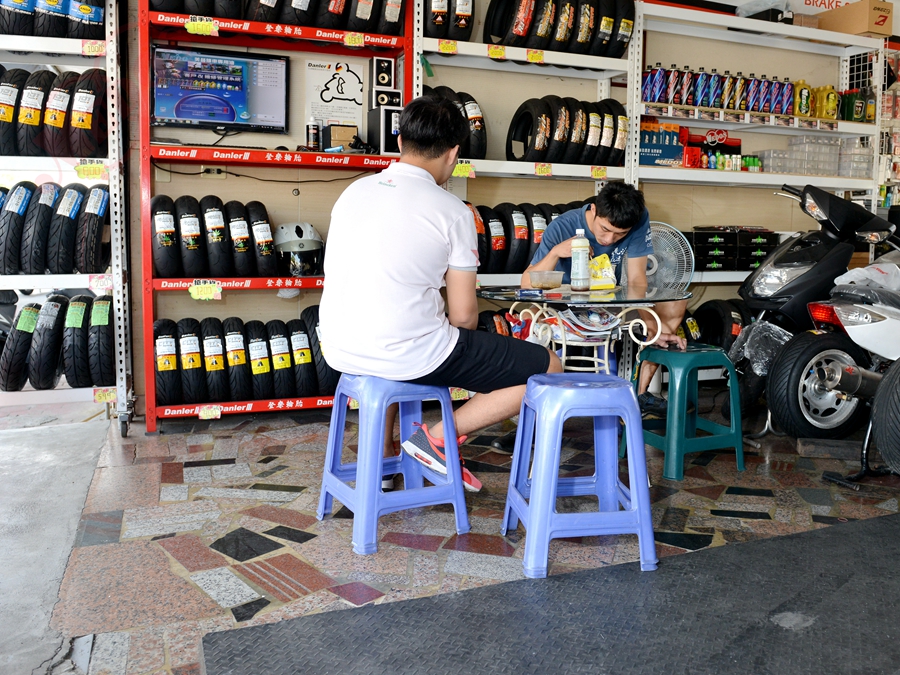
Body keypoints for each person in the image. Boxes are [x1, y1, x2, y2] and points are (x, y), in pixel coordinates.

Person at [319, 96, 563, 492]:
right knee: (548, 365)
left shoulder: (353, 192)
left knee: (397, 341)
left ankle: (381, 463)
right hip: (404, 352)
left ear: (400, 142)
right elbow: (465, 316)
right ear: (453, 154)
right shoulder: (453, 211)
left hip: (339, 346)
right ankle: (435, 438)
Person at [521, 183, 687, 415]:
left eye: (620, 235)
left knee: (675, 303)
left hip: (610, 302)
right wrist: (556, 252)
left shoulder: (638, 218)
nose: (609, 239)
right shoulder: (564, 226)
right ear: (594, 210)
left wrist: (652, 326)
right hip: (565, 307)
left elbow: (638, 279)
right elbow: (526, 284)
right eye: (604, 229)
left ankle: (635, 396)